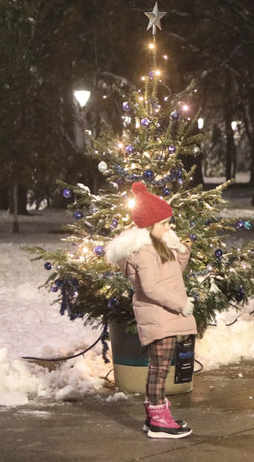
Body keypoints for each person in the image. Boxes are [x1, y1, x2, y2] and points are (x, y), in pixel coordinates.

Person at [105, 182, 196, 439]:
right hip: (159, 315)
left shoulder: (157, 245)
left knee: (161, 366)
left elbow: (174, 271)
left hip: (164, 315)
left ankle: (156, 415)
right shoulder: (144, 252)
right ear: (151, 225)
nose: (169, 228)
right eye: (165, 223)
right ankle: (158, 420)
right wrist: (181, 305)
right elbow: (152, 288)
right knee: (159, 368)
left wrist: (181, 249)